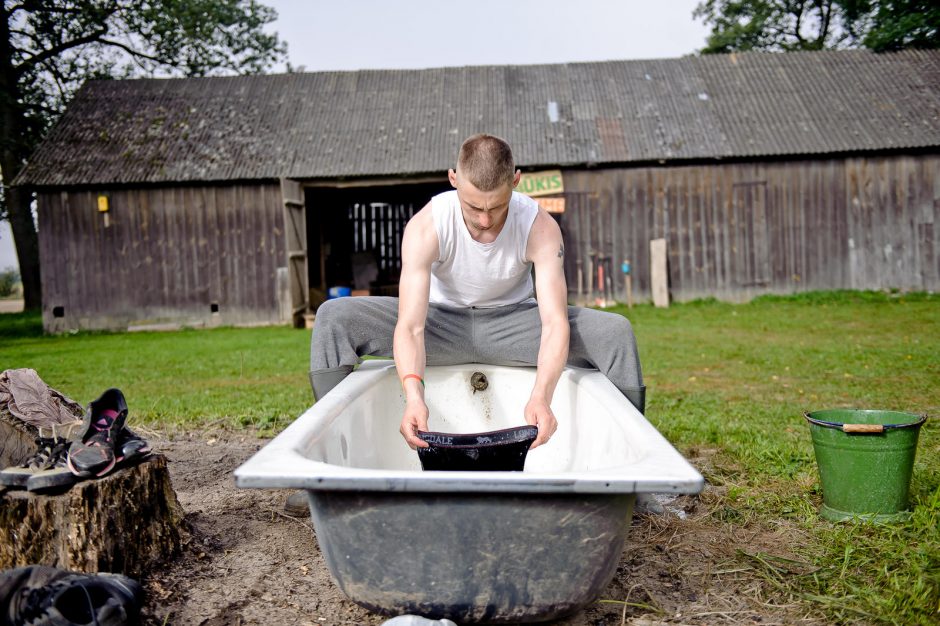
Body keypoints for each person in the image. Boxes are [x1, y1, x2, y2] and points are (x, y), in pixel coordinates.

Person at [285, 134, 644, 515]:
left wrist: (542, 395)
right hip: (441, 324)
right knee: (334, 317)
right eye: (474, 207)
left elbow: (555, 323)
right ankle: (322, 476)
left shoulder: (540, 226)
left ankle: (634, 480)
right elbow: (410, 327)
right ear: (453, 179)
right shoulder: (427, 225)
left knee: (615, 333)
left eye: (498, 206)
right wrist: (414, 396)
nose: (485, 220)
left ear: (516, 181)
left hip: (515, 325)